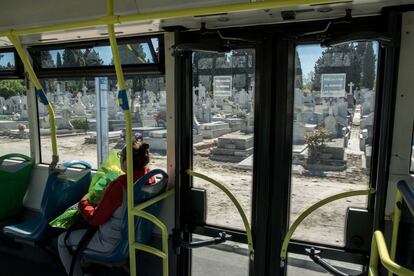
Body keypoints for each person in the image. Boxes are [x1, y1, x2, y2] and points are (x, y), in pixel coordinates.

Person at [58, 141, 153, 276]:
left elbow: (95, 219)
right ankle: (87, 267)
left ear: (126, 161)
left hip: (111, 242)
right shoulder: (150, 179)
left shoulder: (119, 185)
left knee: (62, 240)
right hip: (136, 238)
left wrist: (84, 201)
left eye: (121, 156)